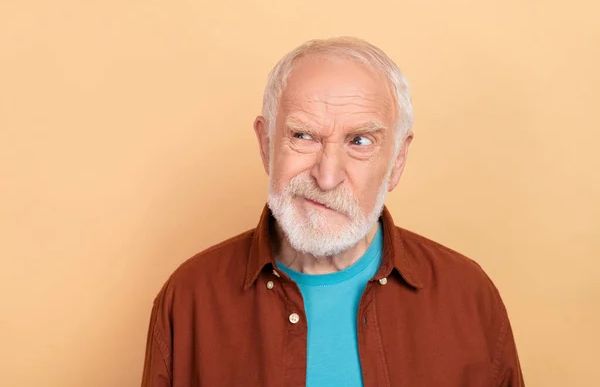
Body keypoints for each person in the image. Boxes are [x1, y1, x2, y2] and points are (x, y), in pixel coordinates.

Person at [141, 37, 525, 387]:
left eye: (360, 141)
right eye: (302, 136)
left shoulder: (468, 295)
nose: (326, 177)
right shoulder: (190, 297)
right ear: (265, 144)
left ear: (397, 159)